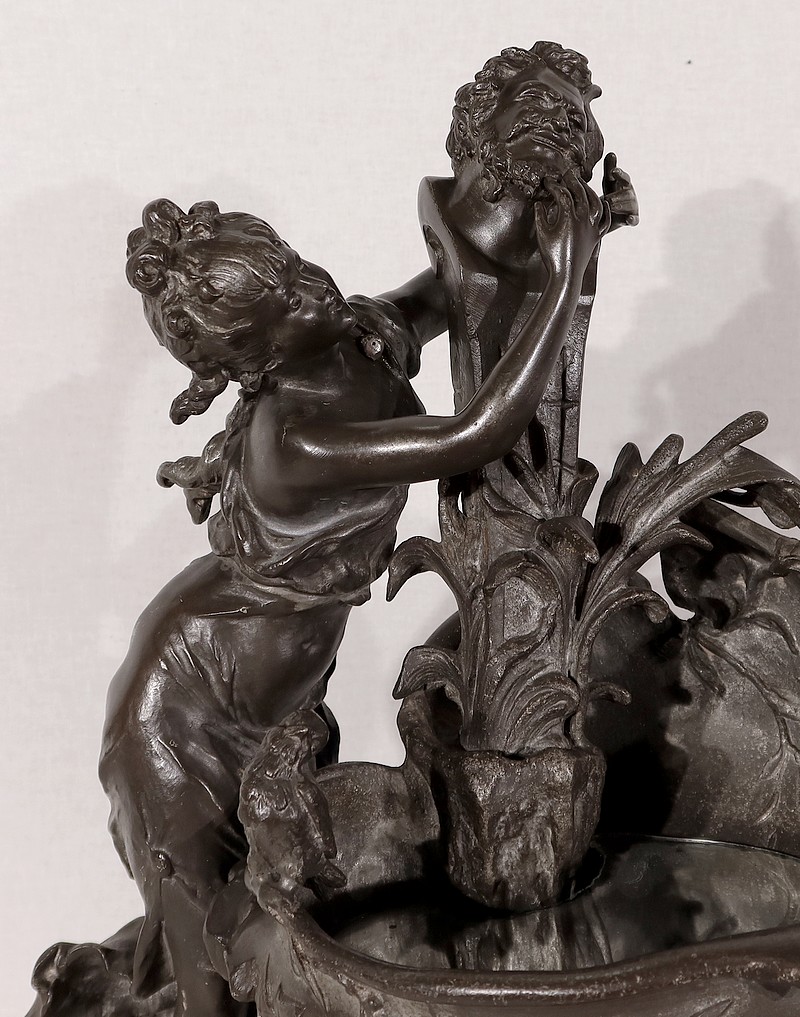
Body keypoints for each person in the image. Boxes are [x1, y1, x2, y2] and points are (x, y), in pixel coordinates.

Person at [100, 183, 604, 1017]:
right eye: (289, 301)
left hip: (260, 681)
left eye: (297, 270)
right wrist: (562, 275)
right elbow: (475, 434)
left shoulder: (346, 337)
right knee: (199, 907)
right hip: (184, 705)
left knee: (267, 890)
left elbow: (447, 288)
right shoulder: (293, 437)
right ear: (257, 357)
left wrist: (554, 214)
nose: (316, 292)